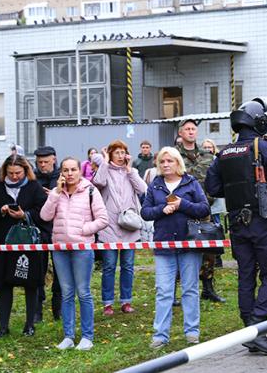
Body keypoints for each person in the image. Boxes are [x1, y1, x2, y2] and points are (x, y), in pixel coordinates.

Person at [205, 98, 267, 355]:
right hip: (262, 221)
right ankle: (256, 325)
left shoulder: (224, 152)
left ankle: (250, 331)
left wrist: (238, 191)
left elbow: (212, 188)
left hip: (236, 223)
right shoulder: (262, 147)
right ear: (260, 121)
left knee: (246, 276)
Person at [141, 147, 210, 349]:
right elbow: (145, 212)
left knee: (190, 289)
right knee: (163, 291)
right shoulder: (155, 186)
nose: (166, 165)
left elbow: (204, 208)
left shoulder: (191, 182)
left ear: (177, 162)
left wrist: (183, 204)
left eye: (170, 161)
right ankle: (160, 335)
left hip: (189, 244)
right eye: (162, 162)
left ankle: (192, 332)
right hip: (163, 245)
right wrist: (162, 210)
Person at [40, 157, 109, 351]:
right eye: (66, 170)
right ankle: (68, 336)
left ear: (80, 171)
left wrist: (84, 229)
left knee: (83, 292)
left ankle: (87, 336)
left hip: (82, 248)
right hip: (60, 249)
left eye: (73, 170)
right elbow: (44, 216)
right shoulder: (57, 193)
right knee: (67, 292)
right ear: (61, 173)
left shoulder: (90, 191)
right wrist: (55, 193)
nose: (70, 174)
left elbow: (103, 219)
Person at [0, 155, 49, 337]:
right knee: (4, 283)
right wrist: (0, 210)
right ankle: (3, 326)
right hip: (3, 242)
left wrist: (24, 215)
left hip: (29, 242)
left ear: (25, 171)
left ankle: (30, 324)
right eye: (10, 173)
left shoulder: (34, 188)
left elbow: (43, 210)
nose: (15, 176)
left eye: (18, 173)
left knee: (31, 283)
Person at [91, 140, 147, 316]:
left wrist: (130, 170)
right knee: (108, 266)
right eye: (117, 152)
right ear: (111, 154)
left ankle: (126, 301)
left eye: (123, 152)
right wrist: (106, 161)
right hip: (109, 226)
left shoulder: (132, 172)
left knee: (128, 266)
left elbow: (143, 189)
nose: (121, 156)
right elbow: (98, 182)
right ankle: (107, 303)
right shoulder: (105, 171)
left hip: (129, 226)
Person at [176, 119, 225, 303]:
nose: (190, 131)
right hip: (181, 212)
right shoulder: (174, 155)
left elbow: (215, 180)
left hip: (204, 210)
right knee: (181, 250)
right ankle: (177, 291)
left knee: (208, 251)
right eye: (187, 129)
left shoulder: (207, 156)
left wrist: (209, 199)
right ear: (181, 133)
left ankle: (208, 288)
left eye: (193, 129)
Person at [33, 146, 62, 321]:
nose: (43, 165)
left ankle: (57, 308)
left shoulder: (62, 177)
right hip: (39, 229)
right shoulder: (33, 179)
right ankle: (37, 309)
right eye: (40, 162)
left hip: (59, 229)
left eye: (46, 161)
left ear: (54, 159)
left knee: (60, 272)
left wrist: (54, 194)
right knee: (38, 271)